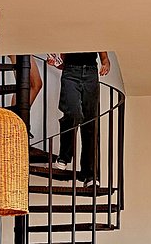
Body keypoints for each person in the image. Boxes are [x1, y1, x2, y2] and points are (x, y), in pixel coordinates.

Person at [47, 52, 110, 183]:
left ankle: (90, 174)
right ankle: (64, 156)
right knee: (73, 114)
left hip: (91, 72)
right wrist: (56, 63)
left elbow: (102, 52)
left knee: (90, 123)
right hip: (70, 71)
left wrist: (105, 62)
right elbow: (62, 62)